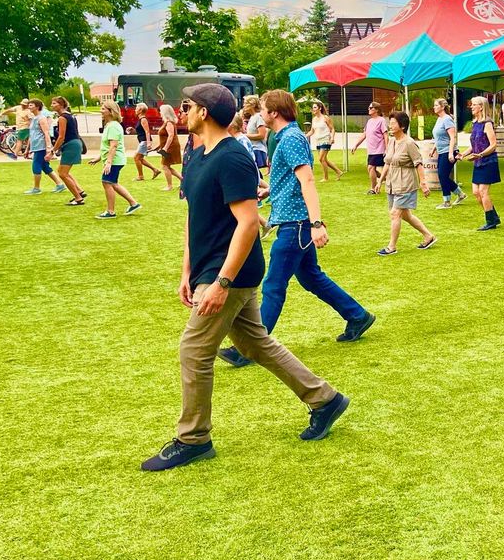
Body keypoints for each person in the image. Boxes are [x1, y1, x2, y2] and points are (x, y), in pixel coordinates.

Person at [140, 84, 351, 471]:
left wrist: (221, 282)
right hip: (207, 267)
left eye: (187, 106)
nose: (182, 111)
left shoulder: (233, 157)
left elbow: (248, 223)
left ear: (203, 112)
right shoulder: (196, 154)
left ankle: (194, 438)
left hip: (230, 271)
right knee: (255, 343)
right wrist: (187, 269)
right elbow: (194, 217)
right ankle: (325, 399)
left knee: (193, 350)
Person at [216, 89, 377, 370]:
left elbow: (308, 181)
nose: (259, 113)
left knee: (274, 286)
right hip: (293, 221)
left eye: (263, 108)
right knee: (312, 278)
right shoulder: (287, 136)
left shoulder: (289, 138)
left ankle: (250, 349)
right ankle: (357, 315)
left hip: (296, 226)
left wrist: (316, 223)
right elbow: (293, 180)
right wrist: (269, 192)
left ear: (273, 112)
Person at [374, 110, 437, 255]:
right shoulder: (391, 141)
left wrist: (423, 183)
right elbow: (388, 163)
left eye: (393, 123)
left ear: (402, 126)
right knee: (405, 215)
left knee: (395, 214)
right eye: (390, 123)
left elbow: (418, 163)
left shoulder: (409, 143)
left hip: (406, 183)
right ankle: (428, 236)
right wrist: (380, 181)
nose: (390, 125)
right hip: (392, 183)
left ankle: (391, 247)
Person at [87, 100, 141, 219]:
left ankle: (110, 211)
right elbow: (107, 146)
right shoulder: (110, 126)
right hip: (114, 160)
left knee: (107, 182)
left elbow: (113, 146)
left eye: (103, 109)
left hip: (115, 160)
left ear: (110, 112)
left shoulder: (113, 127)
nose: (101, 111)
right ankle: (133, 203)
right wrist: (99, 158)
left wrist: (108, 162)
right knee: (113, 183)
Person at [460, 95, 502, 231]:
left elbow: (493, 144)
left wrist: (481, 154)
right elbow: (474, 145)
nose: (471, 107)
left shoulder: (487, 123)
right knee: (476, 193)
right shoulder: (475, 124)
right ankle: (494, 216)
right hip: (478, 162)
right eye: (471, 104)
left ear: (481, 107)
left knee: (483, 192)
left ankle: (490, 222)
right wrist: (462, 154)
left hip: (488, 161)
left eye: (474, 104)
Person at [46, 96, 87, 204]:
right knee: (62, 171)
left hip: (71, 145)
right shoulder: (70, 116)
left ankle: (78, 198)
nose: (52, 105)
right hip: (74, 143)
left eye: (54, 103)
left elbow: (61, 136)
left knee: (63, 174)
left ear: (61, 104)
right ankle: (79, 191)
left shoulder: (62, 118)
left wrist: (52, 151)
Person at [431, 97, 466, 209]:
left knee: (442, 176)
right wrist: (434, 149)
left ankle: (447, 202)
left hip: (449, 151)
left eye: (436, 105)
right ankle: (460, 194)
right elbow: (439, 137)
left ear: (442, 107)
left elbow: (452, 138)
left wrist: (451, 153)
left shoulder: (447, 119)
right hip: (442, 152)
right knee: (443, 176)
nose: (434, 107)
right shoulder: (439, 119)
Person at [23, 99, 60, 195]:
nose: (29, 107)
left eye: (31, 105)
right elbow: (32, 135)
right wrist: (27, 149)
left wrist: (48, 147)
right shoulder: (34, 118)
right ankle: (60, 184)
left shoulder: (41, 118)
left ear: (37, 106)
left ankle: (36, 188)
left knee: (36, 165)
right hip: (36, 146)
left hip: (41, 146)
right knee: (45, 166)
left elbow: (46, 133)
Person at [353, 101, 388, 194]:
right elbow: (364, 134)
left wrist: (387, 148)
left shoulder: (381, 120)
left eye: (370, 108)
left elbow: (385, 135)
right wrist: (356, 145)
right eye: (369, 108)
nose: (368, 109)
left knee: (370, 168)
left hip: (379, 149)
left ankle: (373, 189)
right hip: (371, 150)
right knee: (373, 169)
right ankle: (385, 180)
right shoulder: (369, 121)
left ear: (376, 110)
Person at [309, 101, 343, 181]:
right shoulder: (314, 119)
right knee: (324, 159)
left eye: (315, 107)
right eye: (313, 107)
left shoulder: (325, 118)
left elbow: (332, 129)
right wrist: (304, 136)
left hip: (326, 139)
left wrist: (332, 138)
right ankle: (338, 171)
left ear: (319, 108)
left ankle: (325, 178)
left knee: (321, 159)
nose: (313, 109)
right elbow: (312, 131)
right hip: (318, 141)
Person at [157, 104, 183, 190]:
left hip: (170, 147)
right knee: (167, 166)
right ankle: (183, 180)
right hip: (168, 147)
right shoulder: (167, 122)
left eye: (161, 111)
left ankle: (169, 186)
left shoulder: (169, 123)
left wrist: (165, 148)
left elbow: (171, 135)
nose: (160, 113)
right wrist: (159, 147)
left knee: (165, 166)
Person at [132, 103, 161, 181]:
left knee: (136, 158)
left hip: (144, 141)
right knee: (140, 158)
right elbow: (140, 131)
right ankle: (155, 170)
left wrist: (148, 143)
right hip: (142, 140)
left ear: (140, 110)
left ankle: (140, 176)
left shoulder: (143, 119)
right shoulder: (140, 119)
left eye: (136, 108)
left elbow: (147, 132)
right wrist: (133, 130)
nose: (135, 110)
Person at [243, 95, 270, 171]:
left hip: (258, 150)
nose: (243, 105)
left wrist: (245, 136)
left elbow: (262, 135)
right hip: (253, 149)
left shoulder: (258, 117)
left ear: (252, 105)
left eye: (245, 103)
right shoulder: (252, 117)